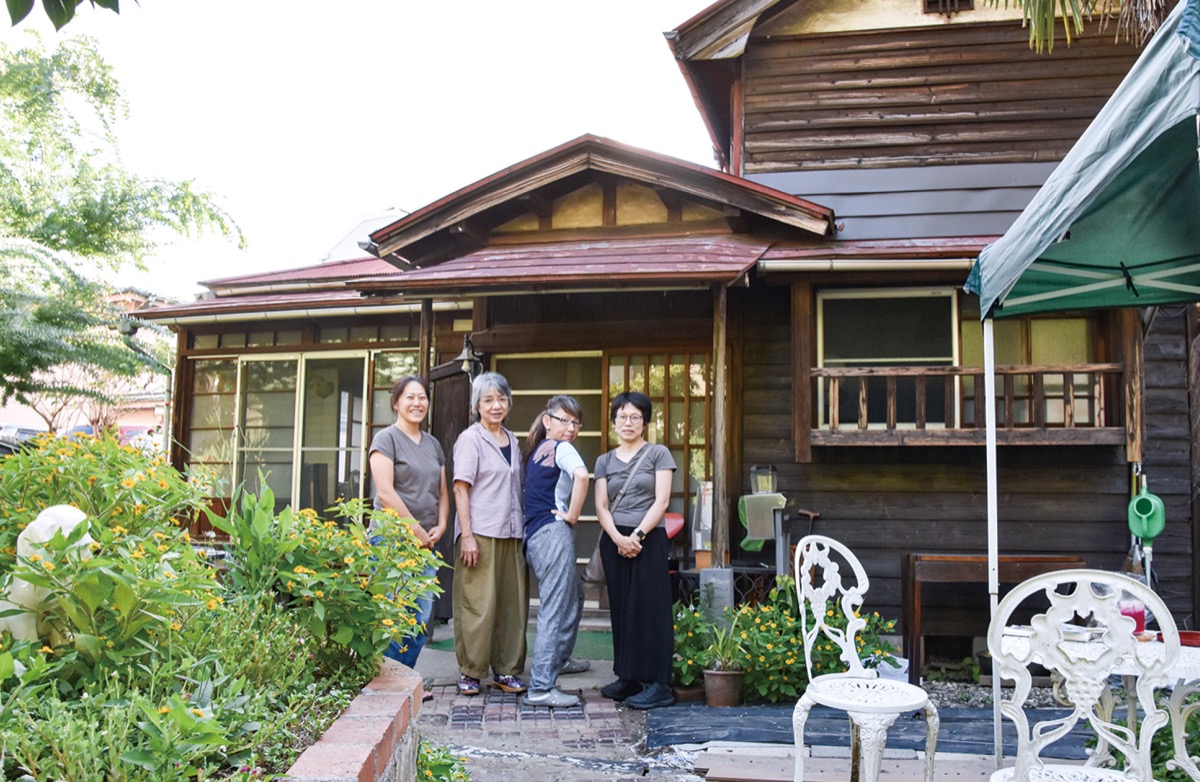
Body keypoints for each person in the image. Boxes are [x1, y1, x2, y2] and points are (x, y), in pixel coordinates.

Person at [594, 390, 676, 710]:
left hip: (649, 538)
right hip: (615, 540)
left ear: (645, 422)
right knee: (622, 607)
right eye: (622, 417)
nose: (628, 422)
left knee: (651, 608)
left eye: (635, 417)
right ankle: (628, 676)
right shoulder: (604, 461)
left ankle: (659, 684)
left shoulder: (658, 453)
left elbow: (662, 501)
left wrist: (637, 536)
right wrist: (618, 538)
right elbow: (601, 506)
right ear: (614, 421)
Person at [452, 371, 528, 696]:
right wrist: (467, 535)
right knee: (478, 604)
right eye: (488, 400)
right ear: (477, 406)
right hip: (480, 532)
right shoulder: (471, 439)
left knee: (512, 606)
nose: (496, 405)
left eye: (501, 398)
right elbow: (460, 488)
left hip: (511, 532)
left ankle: (506, 671)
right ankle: (471, 671)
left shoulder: (512, 440)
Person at [368, 376, 449, 674]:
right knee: (393, 615)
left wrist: (441, 525)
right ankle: (390, 682)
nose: (417, 403)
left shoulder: (433, 444)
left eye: (422, 397)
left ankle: (405, 679)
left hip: (427, 542)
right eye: (410, 397)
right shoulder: (386, 439)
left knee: (420, 617)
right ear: (396, 402)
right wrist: (415, 530)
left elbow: (442, 492)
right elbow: (385, 492)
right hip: (391, 539)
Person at [520, 396, 591, 708]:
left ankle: (559, 660)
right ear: (547, 421)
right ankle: (541, 687)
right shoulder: (561, 447)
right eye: (565, 420)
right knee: (555, 606)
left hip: (535, 536)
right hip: (552, 532)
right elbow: (582, 476)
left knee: (575, 595)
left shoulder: (538, 450)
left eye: (576, 423)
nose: (571, 428)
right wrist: (573, 515)